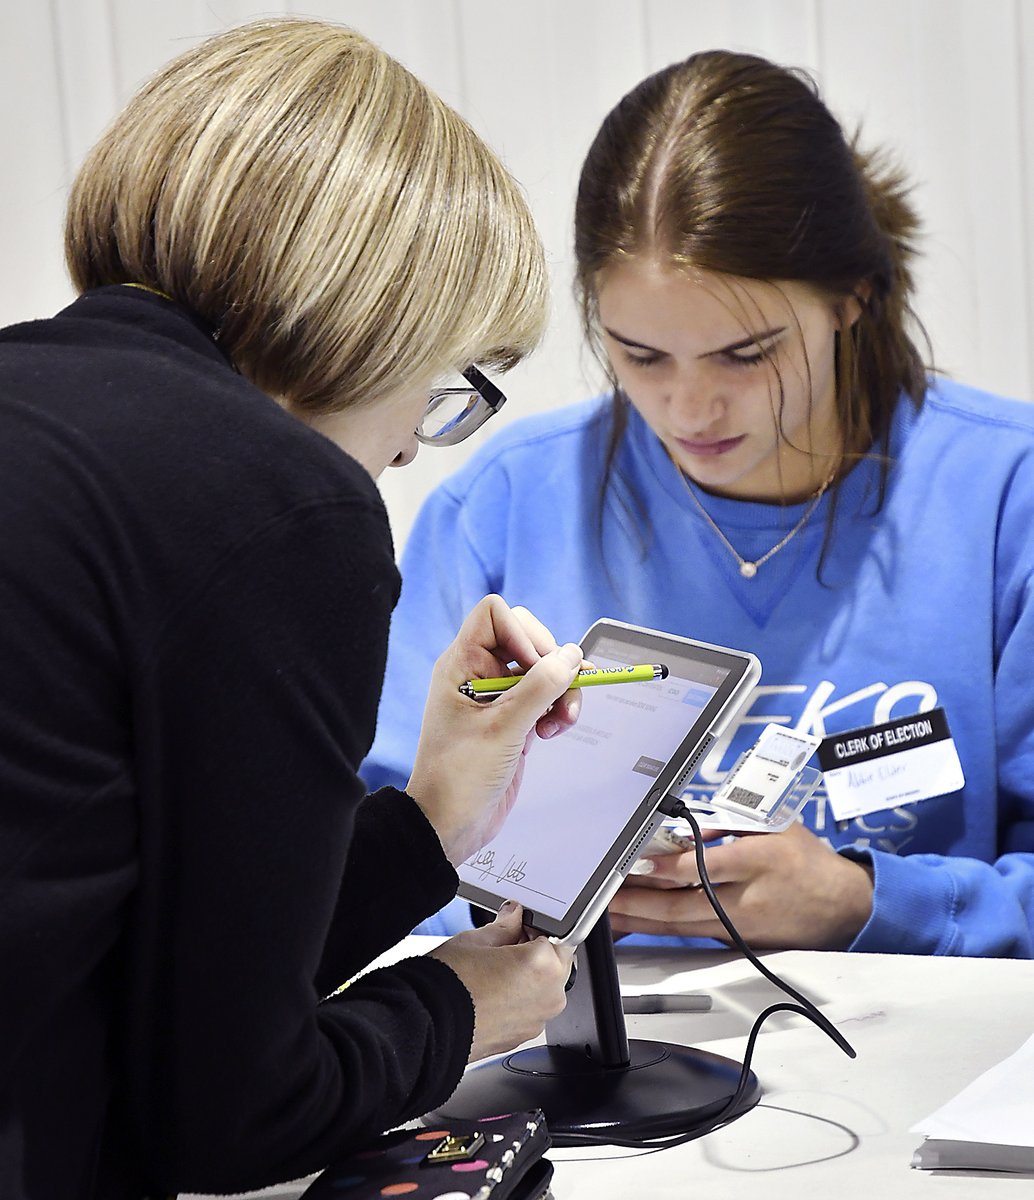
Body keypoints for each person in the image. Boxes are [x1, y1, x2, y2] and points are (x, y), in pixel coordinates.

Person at [0, 18, 586, 1199]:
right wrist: (455, 1009)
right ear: (376, 315)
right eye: (444, 386)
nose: (417, 443)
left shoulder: (36, 407)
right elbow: (229, 1114)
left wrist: (425, 824)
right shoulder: (283, 503)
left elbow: (154, 991)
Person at [363, 49, 1034, 959]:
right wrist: (518, 897)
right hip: (570, 1063)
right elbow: (367, 873)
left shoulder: (1006, 496)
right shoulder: (506, 505)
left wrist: (861, 900)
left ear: (854, 298)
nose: (688, 410)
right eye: (641, 355)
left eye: (746, 353)